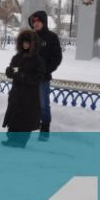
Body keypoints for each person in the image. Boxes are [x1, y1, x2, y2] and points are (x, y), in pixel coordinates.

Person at [1, 29, 45, 148]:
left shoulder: (38, 60)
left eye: (28, 42)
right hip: (16, 94)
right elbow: (11, 70)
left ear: (32, 44)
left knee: (26, 119)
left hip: (30, 96)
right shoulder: (17, 57)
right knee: (14, 117)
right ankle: (11, 139)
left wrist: (22, 76)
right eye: (23, 42)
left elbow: (38, 77)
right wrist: (9, 71)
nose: (25, 45)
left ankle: (21, 141)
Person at [29, 10, 62, 140]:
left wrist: (45, 70)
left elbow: (57, 58)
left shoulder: (51, 38)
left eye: (38, 21)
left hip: (43, 78)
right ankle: (30, 127)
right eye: (34, 21)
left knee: (43, 104)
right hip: (29, 78)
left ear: (44, 22)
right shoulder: (30, 36)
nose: (36, 24)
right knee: (30, 103)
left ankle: (44, 130)